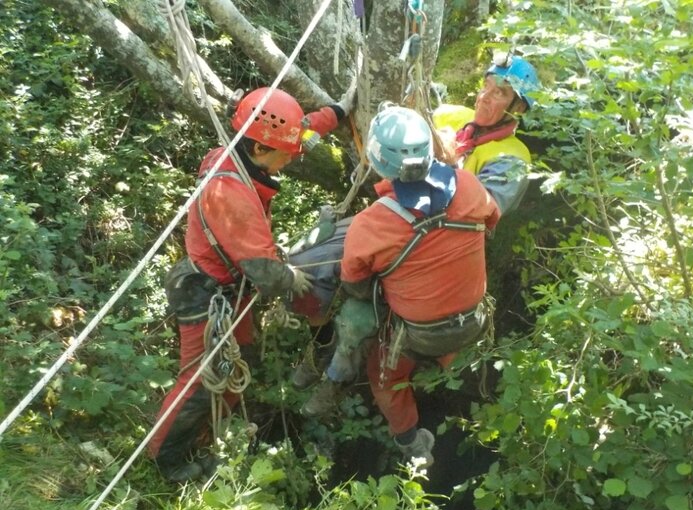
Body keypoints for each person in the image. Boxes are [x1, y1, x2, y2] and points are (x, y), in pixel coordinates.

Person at [149, 86, 352, 483]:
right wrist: (293, 277)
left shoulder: (247, 149)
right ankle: (166, 460)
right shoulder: (232, 195)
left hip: (227, 291)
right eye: (285, 156)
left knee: (243, 359)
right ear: (260, 149)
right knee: (200, 382)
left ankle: (207, 433)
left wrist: (341, 110)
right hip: (205, 293)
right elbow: (266, 273)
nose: (290, 161)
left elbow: (303, 129)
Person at [302, 105, 500, 467]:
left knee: (383, 371)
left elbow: (356, 284)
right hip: (472, 321)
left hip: (417, 335)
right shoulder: (471, 187)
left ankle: (412, 445)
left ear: (378, 161)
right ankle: (443, 372)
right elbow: (490, 222)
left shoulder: (372, 224)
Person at [433, 52, 539, 216]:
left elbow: (478, 212)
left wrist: (447, 159)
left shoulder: (513, 160)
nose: (484, 97)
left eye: (498, 93)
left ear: (519, 108)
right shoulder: (455, 115)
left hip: (450, 234)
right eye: (486, 85)